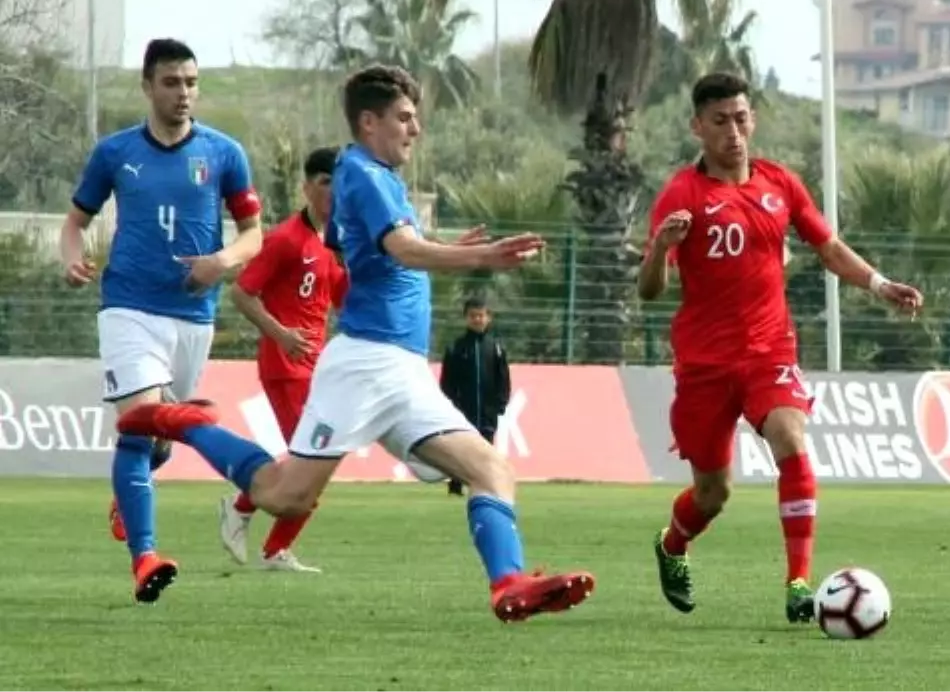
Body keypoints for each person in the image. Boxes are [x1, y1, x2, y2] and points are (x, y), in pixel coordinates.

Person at [114, 64, 596, 623]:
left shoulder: (377, 177)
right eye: (405, 118)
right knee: (283, 495)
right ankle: (185, 423)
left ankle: (508, 584)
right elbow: (403, 251)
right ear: (370, 122)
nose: (415, 129)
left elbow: (384, 256)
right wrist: (478, 256)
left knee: (492, 470)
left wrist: (438, 248)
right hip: (364, 364)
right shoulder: (362, 172)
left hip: (405, 372)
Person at [637, 72, 923, 625]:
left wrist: (880, 284)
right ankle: (673, 544)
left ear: (753, 120)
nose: (733, 131)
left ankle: (798, 583)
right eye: (719, 121)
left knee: (791, 440)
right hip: (704, 365)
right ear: (698, 127)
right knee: (712, 494)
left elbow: (829, 246)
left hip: (770, 351)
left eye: (741, 118)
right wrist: (659, 250)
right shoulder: (682, 196)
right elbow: (650, 292)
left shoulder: (781, 185)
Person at [60, 38, 264, 604]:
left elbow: (254, 235)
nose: (184, 93)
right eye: (172, 82)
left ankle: (128, 492)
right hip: (128, 307)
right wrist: (70, 256)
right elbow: (75, 221)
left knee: (160, 443)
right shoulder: (115, 152)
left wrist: (221, 262)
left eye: (192, 82)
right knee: (145, 420)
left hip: (194, 318)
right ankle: (145, 557)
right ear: (147, 87)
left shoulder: (224, 154)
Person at [217, 146, 346, 572]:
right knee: (314, 462)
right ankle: (246, 516)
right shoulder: (287, 239)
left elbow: (343, 304)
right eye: (324, 181)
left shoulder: (335, 243)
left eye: (339, 182)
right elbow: (240, 292)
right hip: (285, 366)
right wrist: (282, 334)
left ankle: (260, 531)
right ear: (307, 187)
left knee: (313, 460)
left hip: (316, 368)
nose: (332, 190)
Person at [440, 297, 512, 497]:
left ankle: (485, 485)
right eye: (473, 316)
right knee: (460, 448)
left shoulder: (495, 348)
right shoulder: (456, 348)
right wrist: (450, 403)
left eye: (481, 315)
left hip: (487, 410)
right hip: (463, 409)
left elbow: (503, 378)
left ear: (488, 318)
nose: (477, 320)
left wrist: (501, 402)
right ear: (466, 318)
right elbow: (447, 380)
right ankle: (455, 485)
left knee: (486, 448)